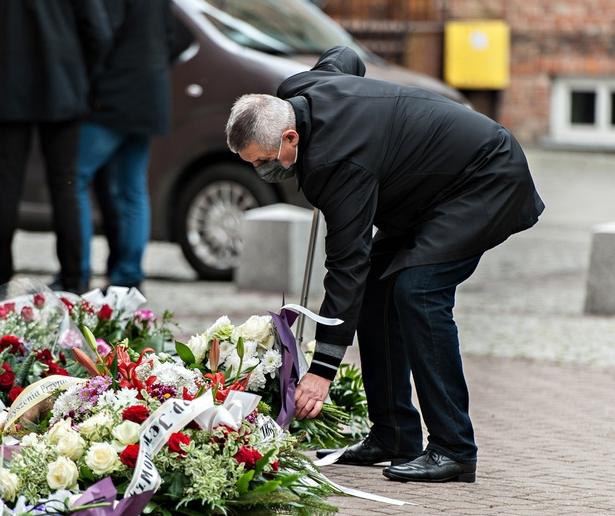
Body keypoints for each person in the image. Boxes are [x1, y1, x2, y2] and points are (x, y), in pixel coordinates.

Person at [225, 46, 544, 484]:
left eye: (263, 161)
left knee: (418, 291)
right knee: (378, 290)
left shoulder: (336, 165)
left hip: (484, 177)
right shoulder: (298, 90)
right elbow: (344, 56)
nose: (262, 171)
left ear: (291, 138)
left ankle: (454, 448)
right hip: (426, 188)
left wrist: (321, 372)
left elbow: (345, 265)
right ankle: (394, 434)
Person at [0, 0, 111, 293]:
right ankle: (74, 278)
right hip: (62, 85)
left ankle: (0, 276)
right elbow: (99, 33)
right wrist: (79, 71)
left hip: (8, 84)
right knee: (64, 185)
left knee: (7, 183)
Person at [73, 0, 174, 293]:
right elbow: (172, 37)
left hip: (115, 93)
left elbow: (100, 35)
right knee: (133, 189)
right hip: (149, 94)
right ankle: (128, 275)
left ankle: (77, 271)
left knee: (74, 178)